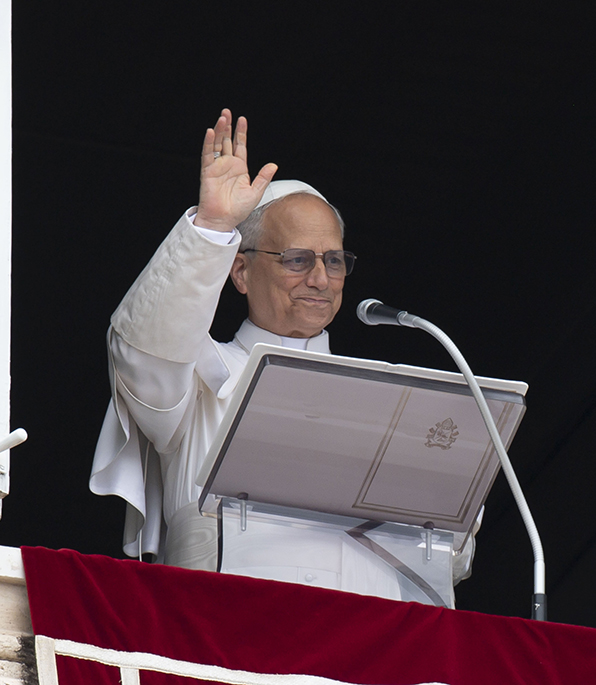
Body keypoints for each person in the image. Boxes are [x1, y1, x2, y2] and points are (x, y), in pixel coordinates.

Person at [90, 110, 474, 602]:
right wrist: (210, 226)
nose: (320, 278)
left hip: (374, 650)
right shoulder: (204, 376)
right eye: (297, 259)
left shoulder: (390, 398)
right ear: (241, 272)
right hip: (229, 636)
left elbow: (452, 549)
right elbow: (143, 347)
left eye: (333, 260)